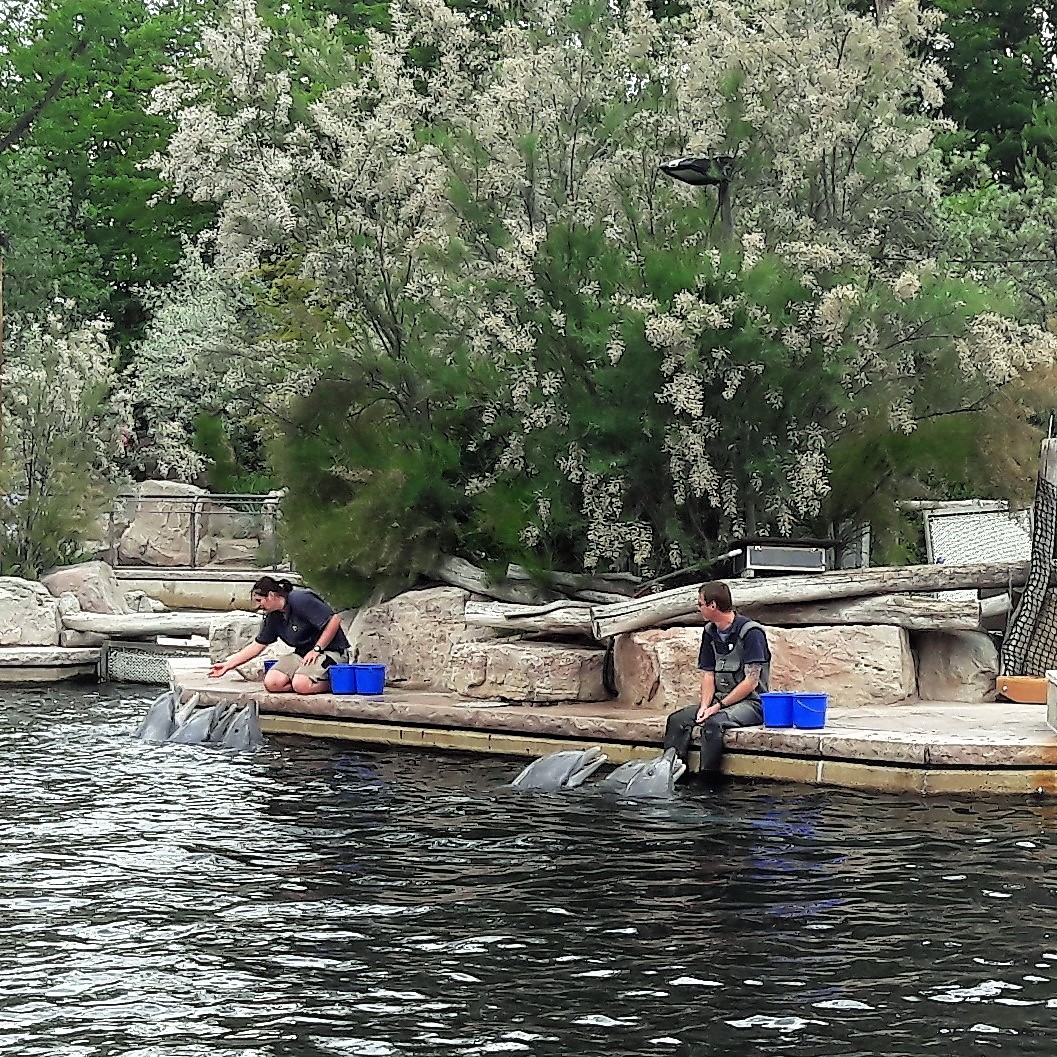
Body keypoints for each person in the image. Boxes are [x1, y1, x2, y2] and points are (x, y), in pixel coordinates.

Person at [663, 580, 771, 776]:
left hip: (751, 704)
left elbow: (751, 681)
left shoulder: (751, 633)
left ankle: (708, 782)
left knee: (714, 725)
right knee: (678, 720)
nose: (699, 608)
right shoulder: (709, 632)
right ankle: (673, 775)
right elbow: (708, 674)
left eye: (700, 604)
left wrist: (718, 707)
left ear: (713, 605)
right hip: (718, 700)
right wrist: (705, 706)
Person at [209, 576, 350, 695]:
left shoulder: (300, 599)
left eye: (259, 600)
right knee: (272, 683)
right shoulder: (274, 616)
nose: (259, 606)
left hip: (329, 651)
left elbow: (334, 620)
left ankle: (335, 683)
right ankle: (302, 683)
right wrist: (228, 665)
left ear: (271, 595)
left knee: (301, 684)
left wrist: (317, 649)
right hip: (302, 654)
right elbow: (258, 645)